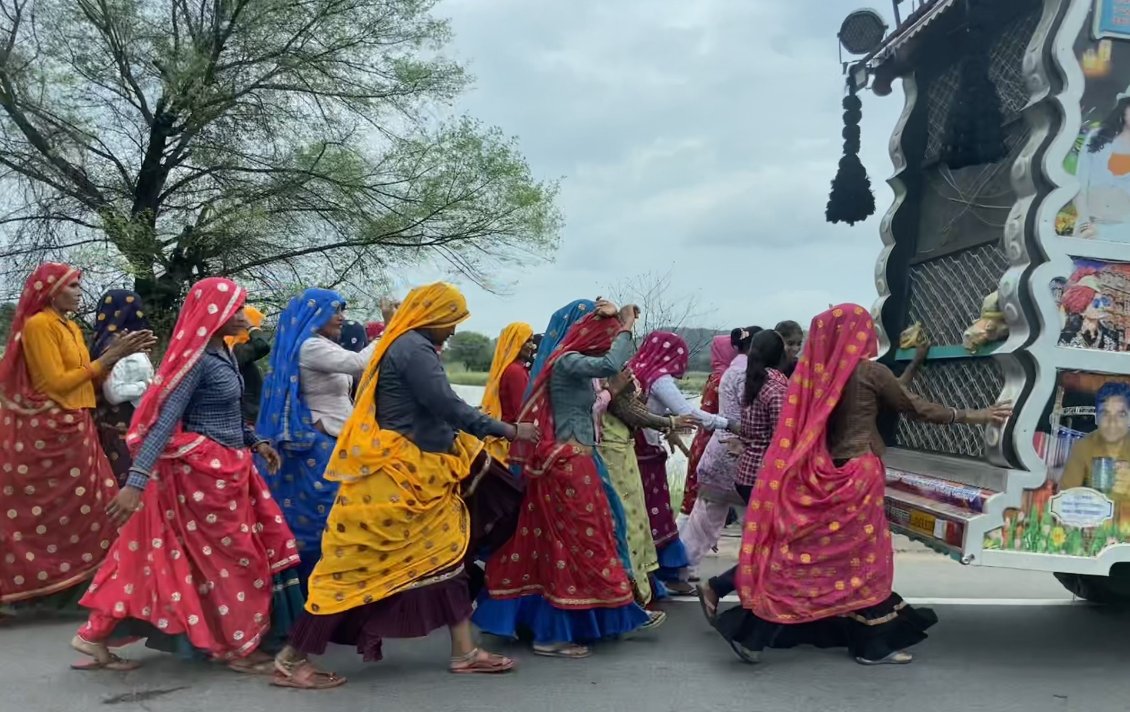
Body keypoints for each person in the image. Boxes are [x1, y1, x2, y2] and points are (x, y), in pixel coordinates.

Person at [714, 304, 1012, 666]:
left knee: (815, 559)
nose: (870, 331)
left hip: (823, 474)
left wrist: (914, 365)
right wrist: (974, 415)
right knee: (866, 561)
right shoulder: (871, 371)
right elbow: (913, 407)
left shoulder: (816, 376)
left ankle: (758, 635)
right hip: (859, 475)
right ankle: (870, 644)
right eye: (866, 326)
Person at [271, 283, 536, 689]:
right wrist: (507, 429)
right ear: (434, 316)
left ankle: (465, 651)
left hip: (422, 475)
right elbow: (446, 405)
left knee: (449, 557)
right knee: (352, 570)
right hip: (395, 480)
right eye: (452, 321)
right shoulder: (413, 349)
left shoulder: (410, 345)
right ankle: (291, 659)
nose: (453, 330)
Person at [73, 277, 299, 673]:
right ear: (217, 315)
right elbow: (163, 422)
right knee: (233, 560)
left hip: (230, 468)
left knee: (166, 555)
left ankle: (95, 634)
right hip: (203, 477)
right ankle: (235, 647)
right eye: (238, 308)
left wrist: (255, 441)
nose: (245, 316)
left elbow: (224, 413)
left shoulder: (223, 355)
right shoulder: (196, 362)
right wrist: (135, 483)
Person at [474, 299, 664, 660]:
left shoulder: (572, 363)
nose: (604, 334)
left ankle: (603, 615)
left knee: (586, 540)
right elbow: (610, 363)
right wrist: (624, 325)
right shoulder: (567, 361)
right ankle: (552, 634)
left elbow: (609, 367)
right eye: (596, 327)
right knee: (575, 544)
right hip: (568, 465)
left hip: (579, 462)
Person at [0, 264, 154, 615]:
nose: (79, 291)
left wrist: (118, 362)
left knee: (95, 507)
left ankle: (96, 590)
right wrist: (111, 357)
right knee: (55, 513)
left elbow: (86, 380)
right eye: (72, 285)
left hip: (77, 426)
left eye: (79, 285)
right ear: (52, 291)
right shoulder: (39, 325)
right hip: (50, 430)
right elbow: (55, 384)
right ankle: (56, 592)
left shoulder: (68, 326)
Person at [257, 289, 378, 592]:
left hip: (336, 439)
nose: (342, 317)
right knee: (322, 518)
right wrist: (389, 329)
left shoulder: (321, 344)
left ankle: (329, 592)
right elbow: (360, 363)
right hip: (321, 445)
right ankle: (314, 592)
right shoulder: (311, 346)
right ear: (315, 315)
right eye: (335, 311)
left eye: (342, 310)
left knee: (335, 516)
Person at [694, 329, 791, 620]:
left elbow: (749, 430)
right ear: (781, 355)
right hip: (768, 476)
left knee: (767, 544)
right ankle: (722, 589)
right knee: (776, 549)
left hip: (748, 473)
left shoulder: (753, 382)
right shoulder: (777, 387)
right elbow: (781, 440)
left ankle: (745, 596)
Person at [630, 331, 735, 595]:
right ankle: (667, 574)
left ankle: (649, 576)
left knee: (639, 517)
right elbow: (688, 413)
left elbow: (649, 412)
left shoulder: (636, 371)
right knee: (657, 515)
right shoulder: (659, 379)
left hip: (633, 452)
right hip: (647, 455)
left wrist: (670, 432)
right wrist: (728, 424)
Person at [596, 368, 693, 605]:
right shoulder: (602, 372)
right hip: (613, 452)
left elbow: (634, 409)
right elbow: (629, 411)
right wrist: (668, 421)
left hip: (622, 449)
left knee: (636, 517)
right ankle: (629, 591)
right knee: (626, 519)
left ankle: (641, 586)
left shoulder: (612, 369)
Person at [680, 327, 764, 581]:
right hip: (740, 452)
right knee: (756, 519)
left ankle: (681, 568)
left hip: (718, 449)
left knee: (705, 518)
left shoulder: (729, 372)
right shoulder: (748, 375)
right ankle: (758, 573)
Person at [465, 322, 536, 588]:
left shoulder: (514, 369)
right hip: (513, 445)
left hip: (506, 440)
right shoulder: (516, 372)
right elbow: (522, 412)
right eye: (526, 341)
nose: (531, 346)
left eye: (531, 340)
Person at [91, 289, 155, 486]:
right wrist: (146, 386)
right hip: (121, 433)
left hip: (116, 429)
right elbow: (114, 393)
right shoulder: (118, 345)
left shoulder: (104, 341)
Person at [679, 333, 741, 517]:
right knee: (706, 499)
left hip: (703, 438)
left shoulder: (714, 377)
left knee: (695, 492)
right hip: (716, 440)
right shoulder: (726, 380)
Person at [1074, 93, 1130, 242]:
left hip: (1125, 234)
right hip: (1090, 229)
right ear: (1124, 109)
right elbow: (1079, 185)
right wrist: (1085, 225)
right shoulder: (1097, 137)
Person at [1060, 382, 1130, 498]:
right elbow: (1065, 498)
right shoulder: (1083, 446)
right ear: (1097, 418)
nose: (1112, 422)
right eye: (1105, 413)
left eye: (1121, 414)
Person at [230, 305, 269, 425]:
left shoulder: (234, 347)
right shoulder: (235, 349)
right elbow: (262, 345)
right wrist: (251, 327)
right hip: (247, 417)